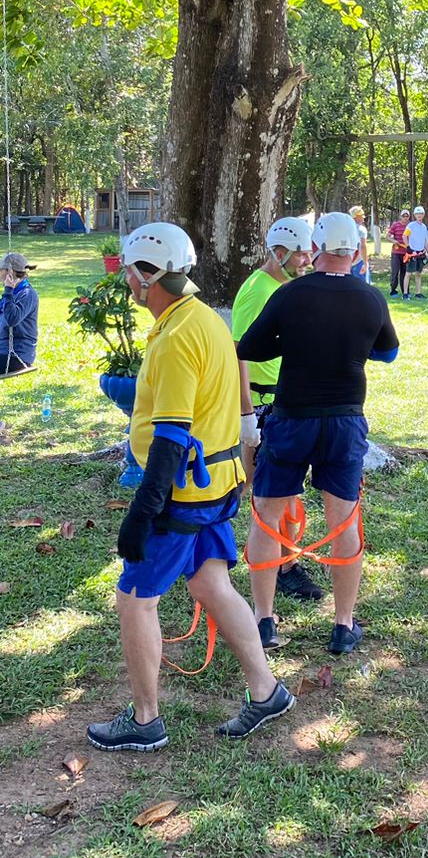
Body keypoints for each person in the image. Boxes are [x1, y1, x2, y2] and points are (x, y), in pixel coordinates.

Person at [87, 222, 294, 752]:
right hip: (217, 485)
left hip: (184, 493)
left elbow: (172, 436)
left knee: (135, 599)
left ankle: (145, 720)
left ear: (147, 275)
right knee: (210, 584)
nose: (127, 281)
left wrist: (143, 510)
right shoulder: (202, 318)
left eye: (130, 272)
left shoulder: (178, 335)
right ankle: (266, 691)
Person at [237, 211, 399, 655]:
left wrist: (292, 341)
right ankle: (343, 625)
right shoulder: (371, 298)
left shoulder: (290, 294)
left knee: (267, 515)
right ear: (357, 251)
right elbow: (389, 353)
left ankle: (264, 619)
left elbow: (249, 347)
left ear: (316, 249)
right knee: (343, 519)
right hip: (345, 420)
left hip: (292, 418)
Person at [231, 216, 322, 605]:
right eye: (300, 254)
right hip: (260, 404)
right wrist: (246, 415)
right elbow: (238, 353)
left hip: (281, 399)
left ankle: (285, 564)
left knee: (277, 490)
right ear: (280, 252)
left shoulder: (284, 287)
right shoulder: (259, 291)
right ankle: (281, 568)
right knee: (258, 489)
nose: (307, 261)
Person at [0, 252, 38, 374]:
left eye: (1, 270)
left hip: (16, 355)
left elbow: (12, 319)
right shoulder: (14, 292)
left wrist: (8, 290)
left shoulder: (27, 294)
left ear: (9, 272)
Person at [402, 205, 428, 299]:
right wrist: (408, 247)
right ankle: (405, 293)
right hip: (412, 253)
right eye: (417, 214)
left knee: (418, 273)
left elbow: (424, 240)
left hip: (420, 253)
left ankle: (418, 293)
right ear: (414, 215)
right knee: (408, 273)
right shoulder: (411, 225)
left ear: (423, 215)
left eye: (421, 213)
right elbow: (404, 236)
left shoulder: (424, 227)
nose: (419, 215)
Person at [387, 209, 410, 298]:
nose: (405, 218)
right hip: (396, 253)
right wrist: (394, 241)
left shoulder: (410, 226)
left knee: (405, 273)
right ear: (400, 216)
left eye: (407, 216)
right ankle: (393, 290)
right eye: (403, 216)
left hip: (406, 253)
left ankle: (405, 291)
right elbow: (387, 236)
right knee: (395, 272)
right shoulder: (395, 225)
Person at [349, 206, 369, 282]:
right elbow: (363, 246)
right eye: (361, 215)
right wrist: (365, 263)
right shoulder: (361, 229)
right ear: (356, 217)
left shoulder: (346, 228)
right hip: (358, 261)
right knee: (363, 285)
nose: (363, 217)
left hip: (347, 262)